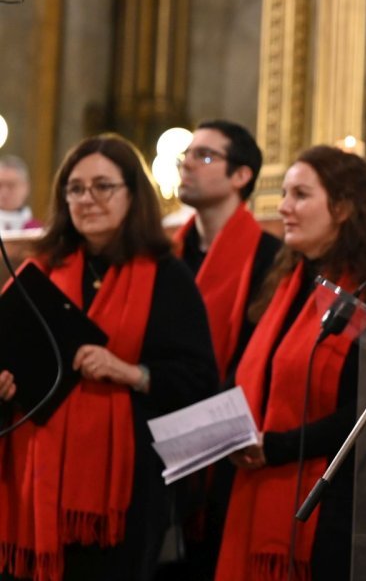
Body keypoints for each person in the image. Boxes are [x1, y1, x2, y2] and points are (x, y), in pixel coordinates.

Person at [0, 134, 218, 581]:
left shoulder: (167, 276)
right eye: (75, 189)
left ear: (133, 194)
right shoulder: (39, 270)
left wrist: (131, 372)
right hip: (31, 480)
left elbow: (200, 379)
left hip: (124, 490)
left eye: (103, 186)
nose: (87, 199)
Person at [214, 146, 366, 581]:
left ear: (343, 209)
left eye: (300, 194)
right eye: (284, 194)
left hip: (334, 506)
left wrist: (276, 447)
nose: (283, 207)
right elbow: (252, 375)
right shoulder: (286, 284)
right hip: (255, 483)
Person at [169, 120, 281, 579]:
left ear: (241, 176)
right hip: (161, 436)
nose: (187, 165)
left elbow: (259, 359)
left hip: (230, 447)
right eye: (187, 155)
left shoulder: (271, 257)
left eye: (205, 156)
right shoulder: (166, 254)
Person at [0, 155, 40, 232]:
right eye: (0, 185)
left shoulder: (37, 231)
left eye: (11, 185)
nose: (4, 192)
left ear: (26, 187)